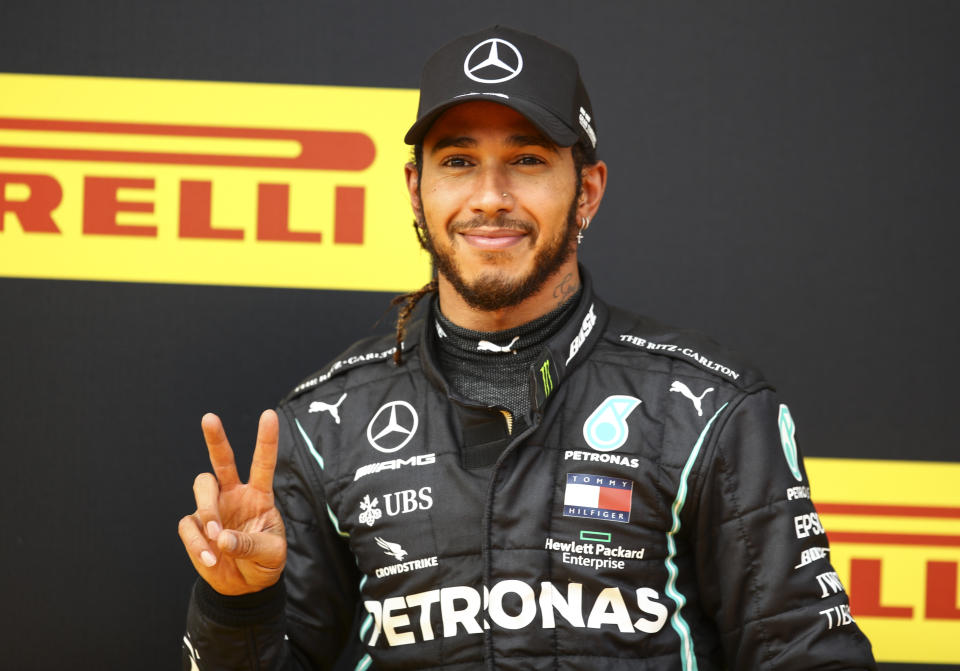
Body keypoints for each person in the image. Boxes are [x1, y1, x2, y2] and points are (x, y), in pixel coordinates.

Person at [178, 25, 877, 671]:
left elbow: (807, 651)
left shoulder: (707, 409)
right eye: (458, 160)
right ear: (416, 190)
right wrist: (239, 604)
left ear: (588, 192)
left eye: (528, 160)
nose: (490, 196)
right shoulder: (325, 423)